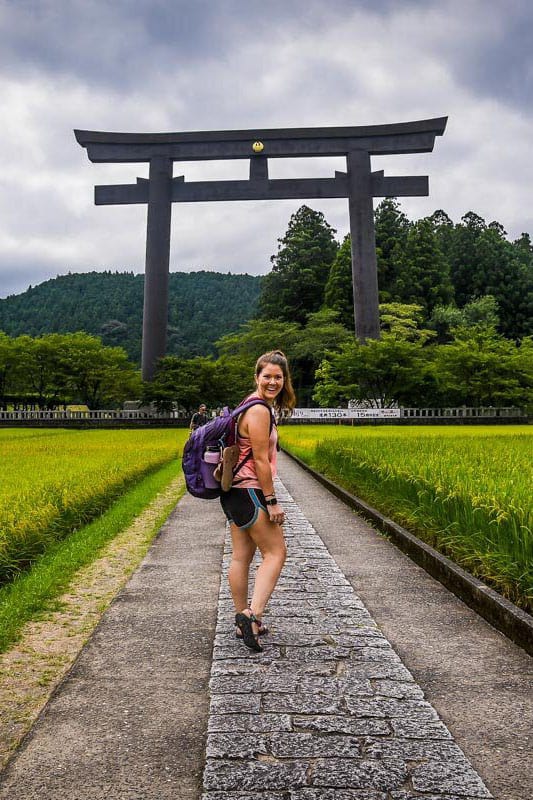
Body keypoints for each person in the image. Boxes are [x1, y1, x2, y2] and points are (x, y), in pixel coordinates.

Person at [220, 350, 296, 652]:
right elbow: (261, 462)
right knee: (277, 552)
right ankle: (253, 614)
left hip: (233, 493)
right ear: (257, 377)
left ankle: (242, 619)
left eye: (279, 377)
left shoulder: (245, 405)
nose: (273, 382)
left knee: (241, 557)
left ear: (285, 380)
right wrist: (272, 501)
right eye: (268, 376)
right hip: (251, 491)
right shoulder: (260, 411)